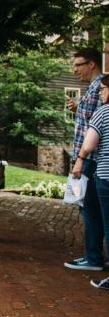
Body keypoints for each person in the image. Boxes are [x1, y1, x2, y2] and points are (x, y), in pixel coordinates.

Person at [64, 48, 105, 271]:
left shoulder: (100, 87)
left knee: (89, 208)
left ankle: (94, 258)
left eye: (78, 64)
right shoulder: (93, 88)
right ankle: (94, 255)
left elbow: (97, 125)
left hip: (90, 159)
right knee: (90, 208)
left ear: (91, 64)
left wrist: (81, 159)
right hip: (86, 157)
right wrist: (78, 108)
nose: (75, 70)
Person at [72, 74, 109, 289]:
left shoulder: (103, 112)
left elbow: (89, 144)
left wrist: (80, 160)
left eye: (103, 90)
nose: (101, 93)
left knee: (107, 224)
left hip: (105, 175)